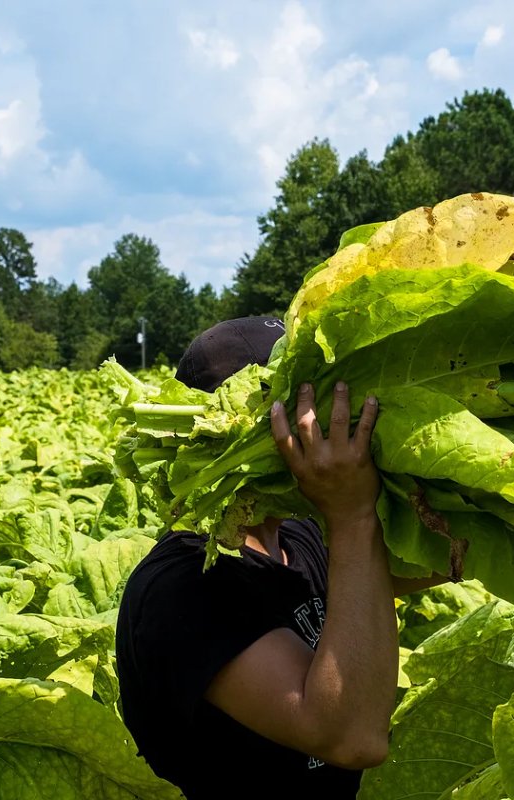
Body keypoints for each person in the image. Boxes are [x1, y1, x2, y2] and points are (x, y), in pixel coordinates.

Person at [115, 316, 402, 799]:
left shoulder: (297, 536)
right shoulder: (185, 583)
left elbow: (427, 567)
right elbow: (350, 738)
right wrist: (353, 518)